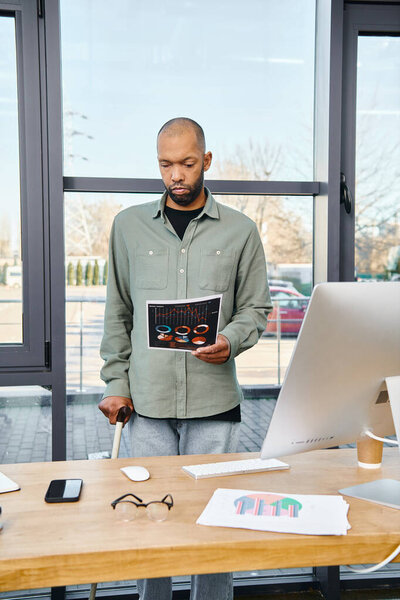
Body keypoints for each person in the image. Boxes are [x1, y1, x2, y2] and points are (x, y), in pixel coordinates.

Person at [99, 117, 272, 600]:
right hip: (147, 405)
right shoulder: (127, 227)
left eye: (187, 163)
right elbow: (118, 311)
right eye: (166, 164)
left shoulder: (241, 230)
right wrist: (116, 383)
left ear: (207, 161)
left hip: (214, 404)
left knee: (213, 526)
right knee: (153, 526)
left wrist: (232, 340)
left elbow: (256, 308)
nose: (177, 174)